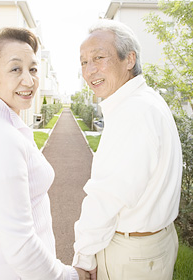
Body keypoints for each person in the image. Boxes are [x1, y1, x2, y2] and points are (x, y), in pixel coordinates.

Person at [0, 27, 90, 280]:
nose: (29, 81)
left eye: (32, 69)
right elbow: (20, 246)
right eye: (15, 69)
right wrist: (70, 276)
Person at [72, 20, 183, 280]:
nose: (89, 70)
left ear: (129, 59)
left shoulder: (133, 112)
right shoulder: (147, 100)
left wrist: (84, 257)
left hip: (131, 256)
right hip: (154, 246)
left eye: (99, 57)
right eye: (84, 62)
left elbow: (106, 197)